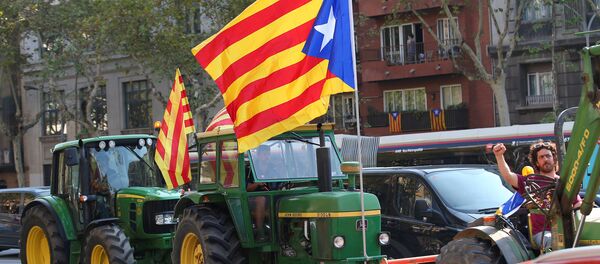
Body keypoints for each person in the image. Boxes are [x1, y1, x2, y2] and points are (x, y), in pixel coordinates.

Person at [493, 140, 581, 251]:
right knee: (552, 240)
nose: (545, 159)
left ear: (554, 159)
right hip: (543, 233)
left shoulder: (565, 183)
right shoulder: (530, 182)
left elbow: (578, 204)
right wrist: (499, 156)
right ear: (537, 163)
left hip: (567, 230)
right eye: (541, 157)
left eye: (548, 156)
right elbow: (508, 176)